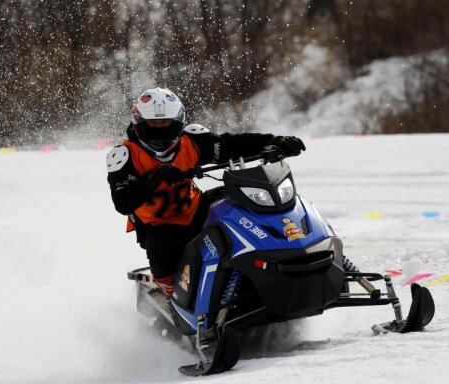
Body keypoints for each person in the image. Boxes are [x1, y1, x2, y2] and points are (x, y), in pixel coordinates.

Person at [106, 87, 305, 297]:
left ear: (177, 122)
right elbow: (123, 202)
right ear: (140, 123)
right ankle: (173, 296)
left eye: (165, 123)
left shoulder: (192, 140)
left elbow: (233, 145)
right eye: (153, 124)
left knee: (245, 202)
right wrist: (154, 178)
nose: (160, 129)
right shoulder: (123, 155)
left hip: (197, 210)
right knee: (161, 251)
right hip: (159, 226)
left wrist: (274, 141)